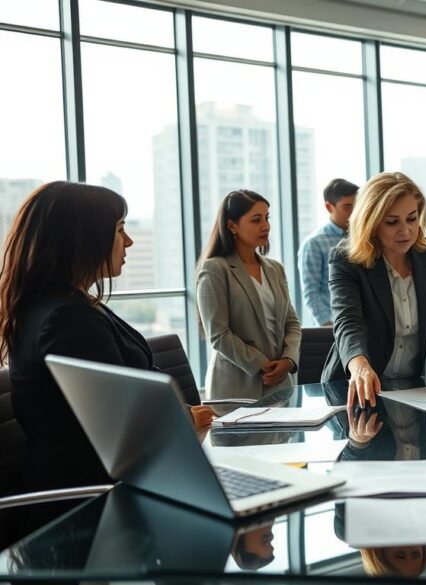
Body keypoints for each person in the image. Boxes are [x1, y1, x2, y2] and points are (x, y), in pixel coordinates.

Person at [0, 182, 213, 535]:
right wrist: (183, 427)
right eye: (119, 230)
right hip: (90, 512)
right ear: (81, 238)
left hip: (107, 492)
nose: (128, 242)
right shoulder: (67, 318)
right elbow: (123, 433)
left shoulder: (57, 306)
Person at [320, 171, 426, 407]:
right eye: (392, 222)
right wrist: (360, 366)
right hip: (357, 389)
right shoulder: (346, 260)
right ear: (370, 223)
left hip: (416, 387)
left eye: (412, 218)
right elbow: (348, 321)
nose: (406, 231)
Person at [196, 189, 302, 400]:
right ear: (232, 225)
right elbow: (218, 334)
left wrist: (288, 360)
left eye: (266, 218)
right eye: (256, 220)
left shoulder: (275, 269)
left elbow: (291, 323)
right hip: (237, 390)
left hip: (280, 386)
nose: (265, 226)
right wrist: (263, 365)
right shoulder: (215, 269)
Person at [299, 178, 359, 326]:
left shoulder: (363, 239)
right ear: (329, 207)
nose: (354, 212)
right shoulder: (314, 244)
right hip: (333, 327)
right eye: (347, 207)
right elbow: (311, 292)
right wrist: (328, 325)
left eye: (357, 206)